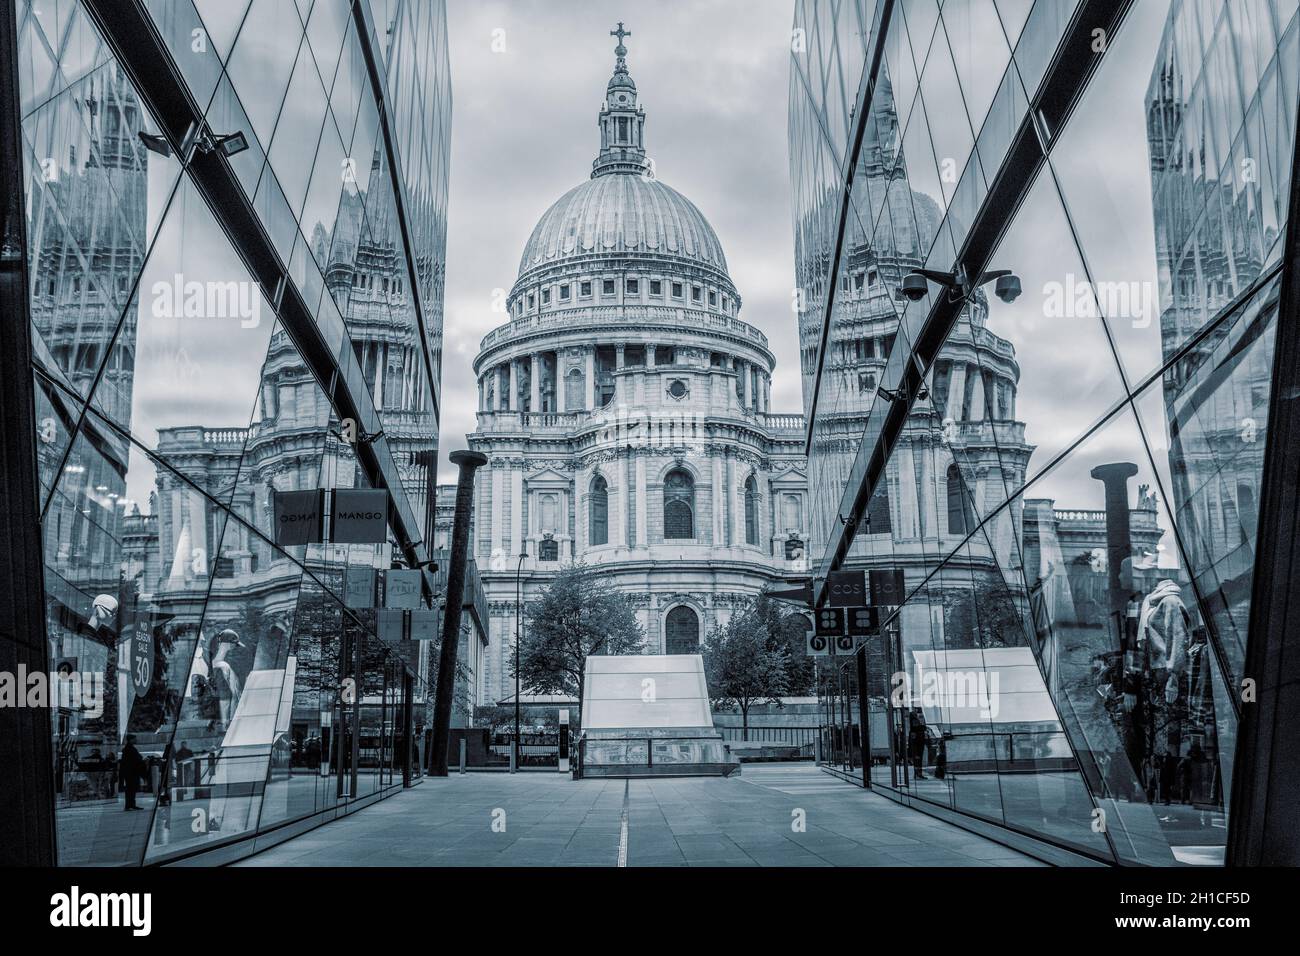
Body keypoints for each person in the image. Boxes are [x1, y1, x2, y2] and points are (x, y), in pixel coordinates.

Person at [119, 735, 146, 811]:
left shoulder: (128, 748)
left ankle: (131, 805)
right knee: (131, 789)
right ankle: (129, 805)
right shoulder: (129, 749)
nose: (136, 740)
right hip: (131, 772)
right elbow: (136, 759)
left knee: (131, 789)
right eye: (134, 739)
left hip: (131, 772)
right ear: (131, 740)